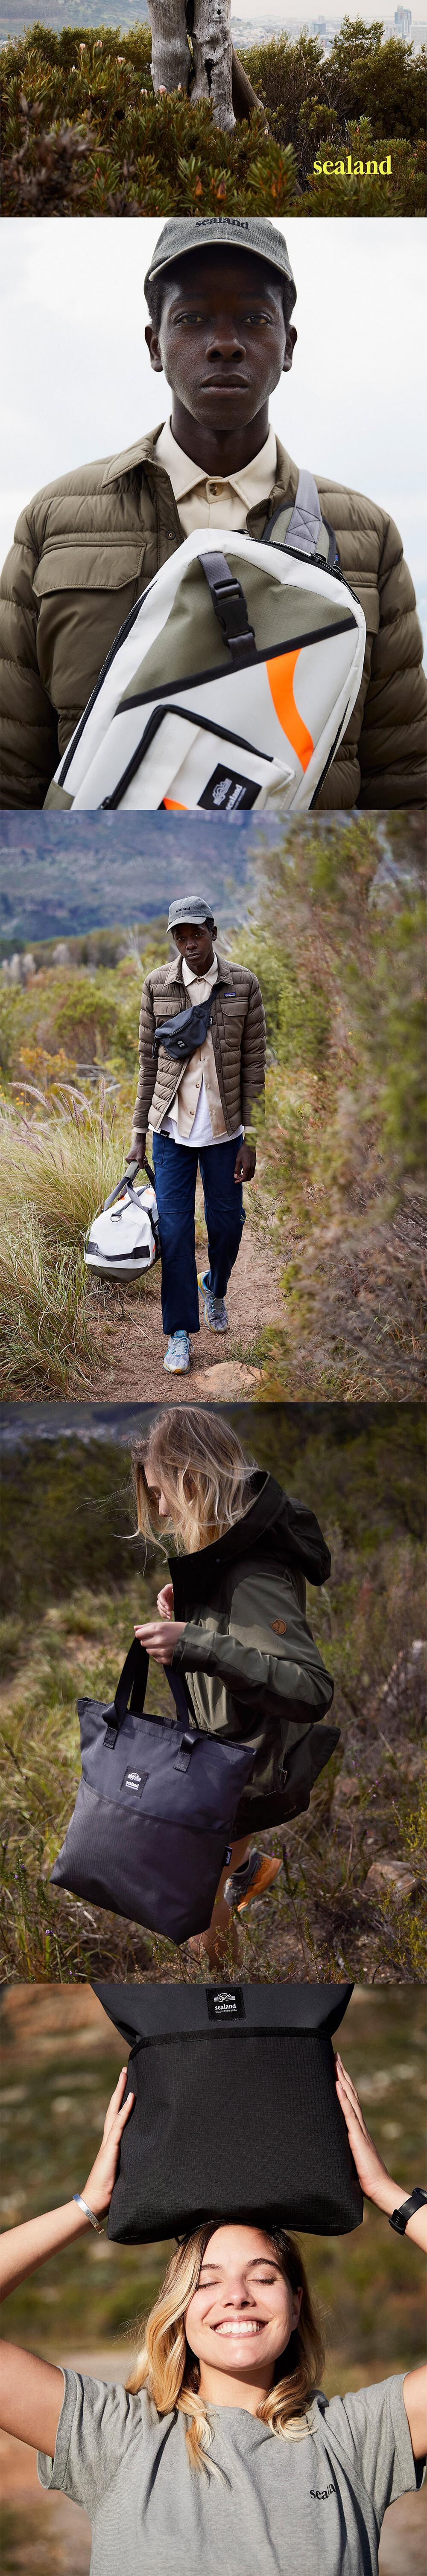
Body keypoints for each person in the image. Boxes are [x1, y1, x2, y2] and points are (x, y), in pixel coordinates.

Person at [0, 215, 425, 813]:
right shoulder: (54, 522)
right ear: (154, 345)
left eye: (255, 319)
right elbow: (11, 768)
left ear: (289, 346)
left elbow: (403, 786)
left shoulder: (367, 535)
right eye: (192, 318)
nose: (225, 343)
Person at [0, 2056, 425, 2576]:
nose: (236, 2296)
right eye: (206, 2281)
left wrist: (388, 2193)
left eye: (263, 2277)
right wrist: (88, 2205)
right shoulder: (114, 2434)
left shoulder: (358, 2438)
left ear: (295, 2305)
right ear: (180, 2310)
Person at [131, 1409, 336, 1960]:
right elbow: (243, 1631)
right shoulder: (234, 1553)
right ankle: (244, 1870)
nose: (162, 1510)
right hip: (228, 1750)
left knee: (190, 1888)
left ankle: (220, 1983)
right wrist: (199, 1608)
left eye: (162, 1493)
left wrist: (197, 1642)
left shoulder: (254, 1572)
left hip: (244, 1764)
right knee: (194, 1869)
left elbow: (311, 1688)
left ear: (192, 1480)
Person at [128, 890, 266, 1374]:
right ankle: (180, 1333)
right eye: (180, 936)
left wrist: (252, 1138)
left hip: (225, 1133)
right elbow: (148, 1066)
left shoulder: (243, 984)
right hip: (170, 1132)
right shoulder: (157, 984)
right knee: (176, 1232)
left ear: (213, 932)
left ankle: (216, 1287)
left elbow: (254, 1065)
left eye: (197, 934)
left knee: (227, 1226)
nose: (189, 943)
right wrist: (138, 1134)